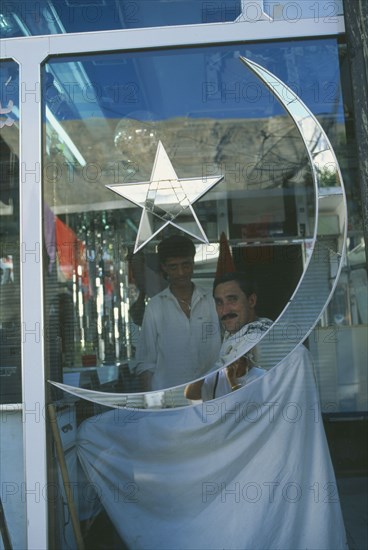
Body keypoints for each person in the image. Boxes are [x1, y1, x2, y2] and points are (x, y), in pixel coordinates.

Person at [133, 234, 221, 391]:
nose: (181, 272)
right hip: (171, 402)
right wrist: (152, 406)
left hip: (212, 395)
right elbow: (145, 363)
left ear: (193, 263)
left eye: (186, 265)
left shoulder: (212, 301)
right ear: (164, 268)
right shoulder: (155, 307)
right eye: (173, 267)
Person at [184, 271, 273, 400]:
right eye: (219, 302)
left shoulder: (266, 339)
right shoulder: (226, 346)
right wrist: (207, 364)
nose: (225, 310)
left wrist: (233, 382)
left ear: (251, 301)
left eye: (232, 300)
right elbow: (191, 393)